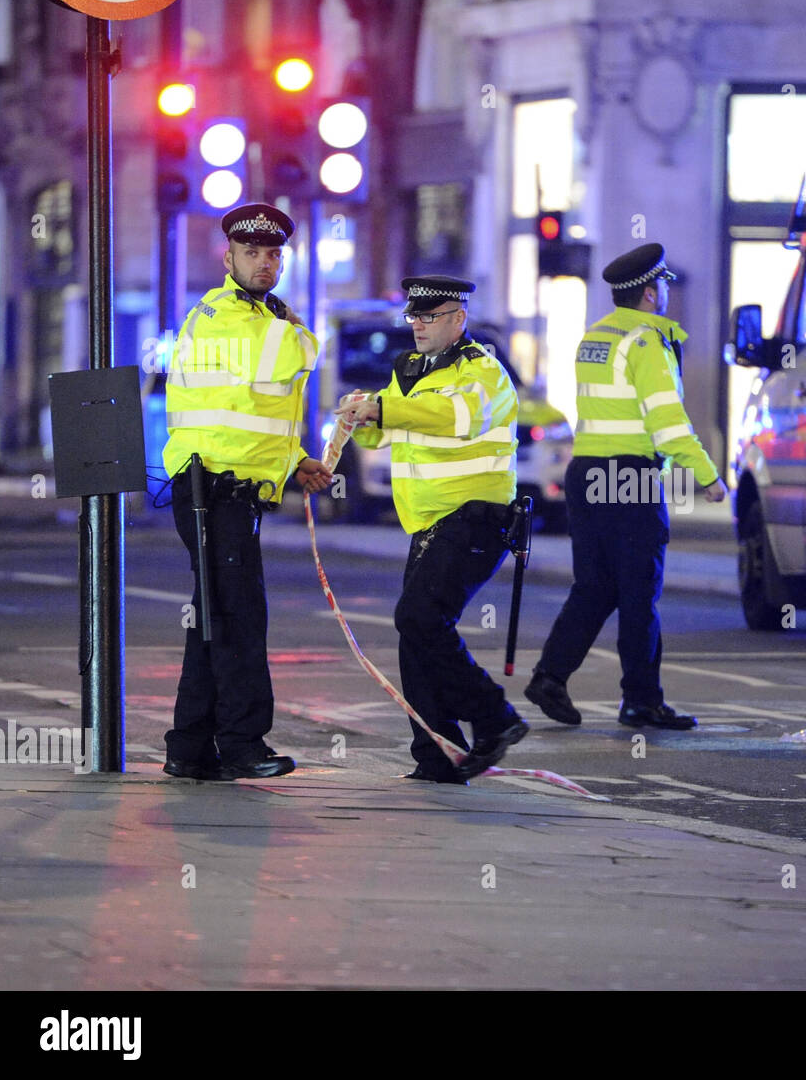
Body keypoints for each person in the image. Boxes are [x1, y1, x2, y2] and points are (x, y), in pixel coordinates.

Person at [524, 244, 727, 731]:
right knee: (639, 595)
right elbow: (668, 422)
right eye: (663, 290)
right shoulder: (646, 344)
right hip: (629, 477)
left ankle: (550, 676)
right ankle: (641, 700)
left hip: (586, 471)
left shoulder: (596, 336)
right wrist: (707, 476)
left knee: (594, 587)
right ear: (652, 293)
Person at [162, 203, 333, 781]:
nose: (267, 262)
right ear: (228, 257)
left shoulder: (219, 314)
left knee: (213, 617)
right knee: (238, 619)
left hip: (219, 488)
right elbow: (306, 352)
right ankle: (240, 744)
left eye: (274, 253)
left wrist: (294, 464)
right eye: (254, 253)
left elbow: (251, 411)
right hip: (217, 493)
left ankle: (189, 747)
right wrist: (288, 316)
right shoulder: (241, 321)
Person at [334, 276, 528, 783]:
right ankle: (438, 752)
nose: (417, 324)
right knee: (414, 634)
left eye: (429, 315)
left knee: (419, 618)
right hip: (427, 522)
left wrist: (386, 407)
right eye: (413, 316)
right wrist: (365, 417)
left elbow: (455, 417)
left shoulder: (481, 370)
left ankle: (494, 716)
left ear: (458, 319)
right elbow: (391, 433)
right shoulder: (410, 370)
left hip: (474, 517)